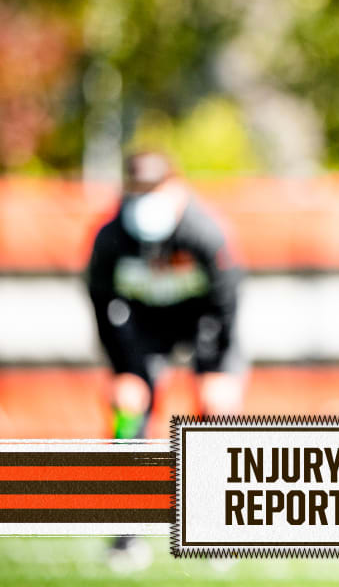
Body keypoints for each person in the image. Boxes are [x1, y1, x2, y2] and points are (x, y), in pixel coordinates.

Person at [86, 151, 244, 567]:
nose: (145, 200)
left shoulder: (206, 233)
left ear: (176, 187)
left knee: (217, 411)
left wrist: (217, 369)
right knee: (128, 411)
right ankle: (124, 539)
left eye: (153, 190)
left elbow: (227, 302)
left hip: (202, 327)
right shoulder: (111, 237)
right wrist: (123, 369)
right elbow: (101, 302)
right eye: (137, 190)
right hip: (144, 329)